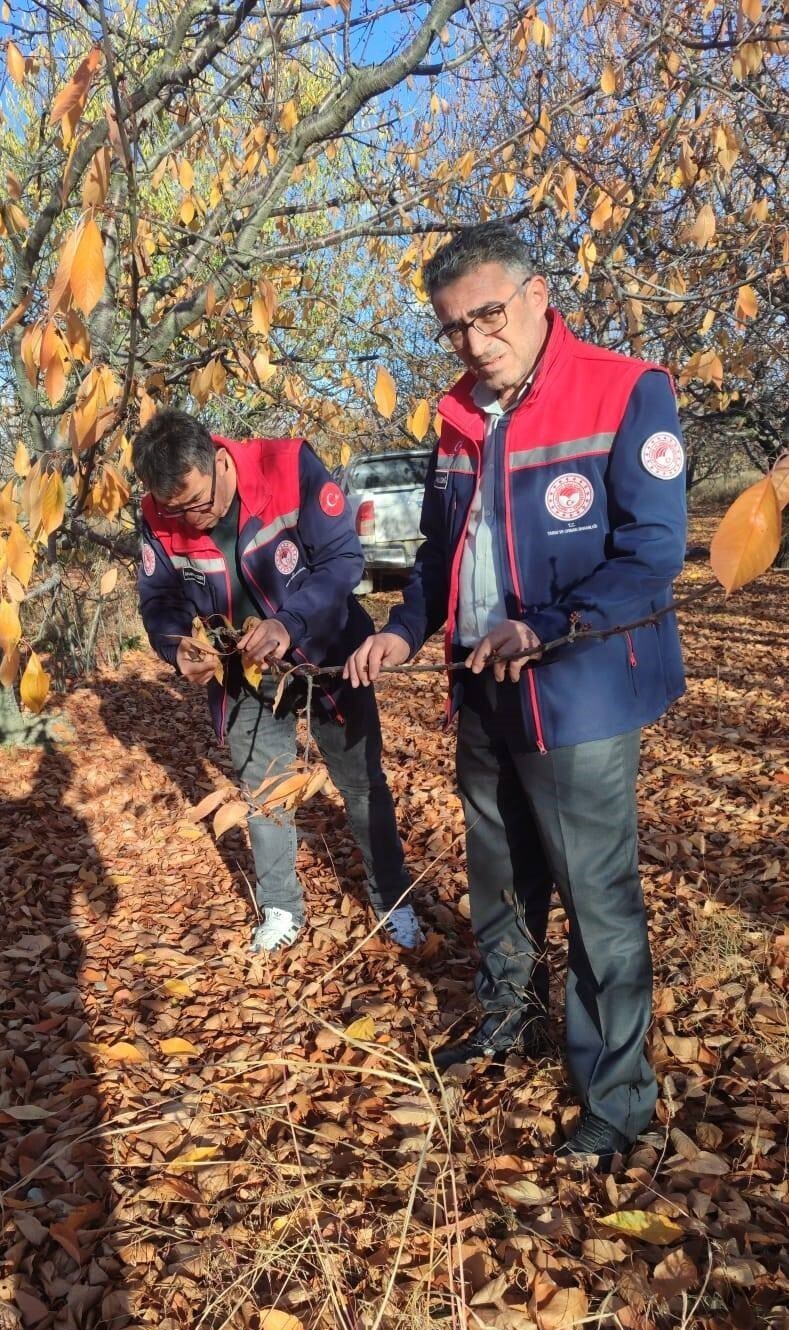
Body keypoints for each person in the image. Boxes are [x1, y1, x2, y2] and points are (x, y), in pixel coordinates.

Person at [345, 223, 686, 1168]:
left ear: (538, 296)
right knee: (497, 873)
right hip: (478, 686)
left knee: (594, 892)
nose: (474, 341)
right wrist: (397, 630)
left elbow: (652, 552)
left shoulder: (624, 390)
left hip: (577, 691)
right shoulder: (457, 417)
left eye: (488, 316)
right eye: (453, 328)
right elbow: (437, 559)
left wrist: (549, 624)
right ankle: (508, 1018)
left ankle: (616, 1095)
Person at [134, 409, 426, 954]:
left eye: (200, 502)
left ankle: (393, 896)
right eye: (177, 510)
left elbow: (342, 560)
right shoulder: (156, 512)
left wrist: (289, 624)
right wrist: (176, 648)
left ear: (220, 461)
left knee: (361, 783)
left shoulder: (289, 466)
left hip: (331, 657)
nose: (193, 520)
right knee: (265, 792)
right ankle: (281, 907)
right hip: (241, 675)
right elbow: (159, 601)